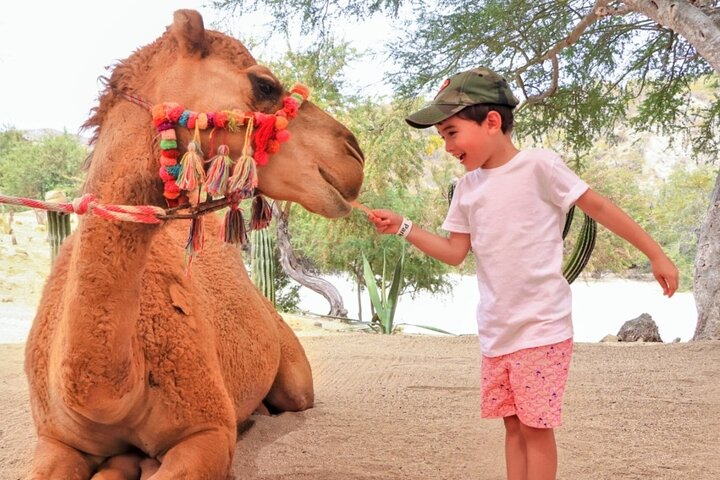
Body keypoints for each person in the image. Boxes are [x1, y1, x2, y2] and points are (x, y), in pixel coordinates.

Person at [368, 66, 679, 480]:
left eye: (452, 132)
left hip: (541, 327)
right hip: (497, 330)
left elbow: (599, 208)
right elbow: (454, 252)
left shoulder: (539, 166)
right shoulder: (466, 190)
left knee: (535, 428)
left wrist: (656, 254)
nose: (446, 146)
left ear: (492, 122)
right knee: (512, 426)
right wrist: (404, 226)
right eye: (442, 136)